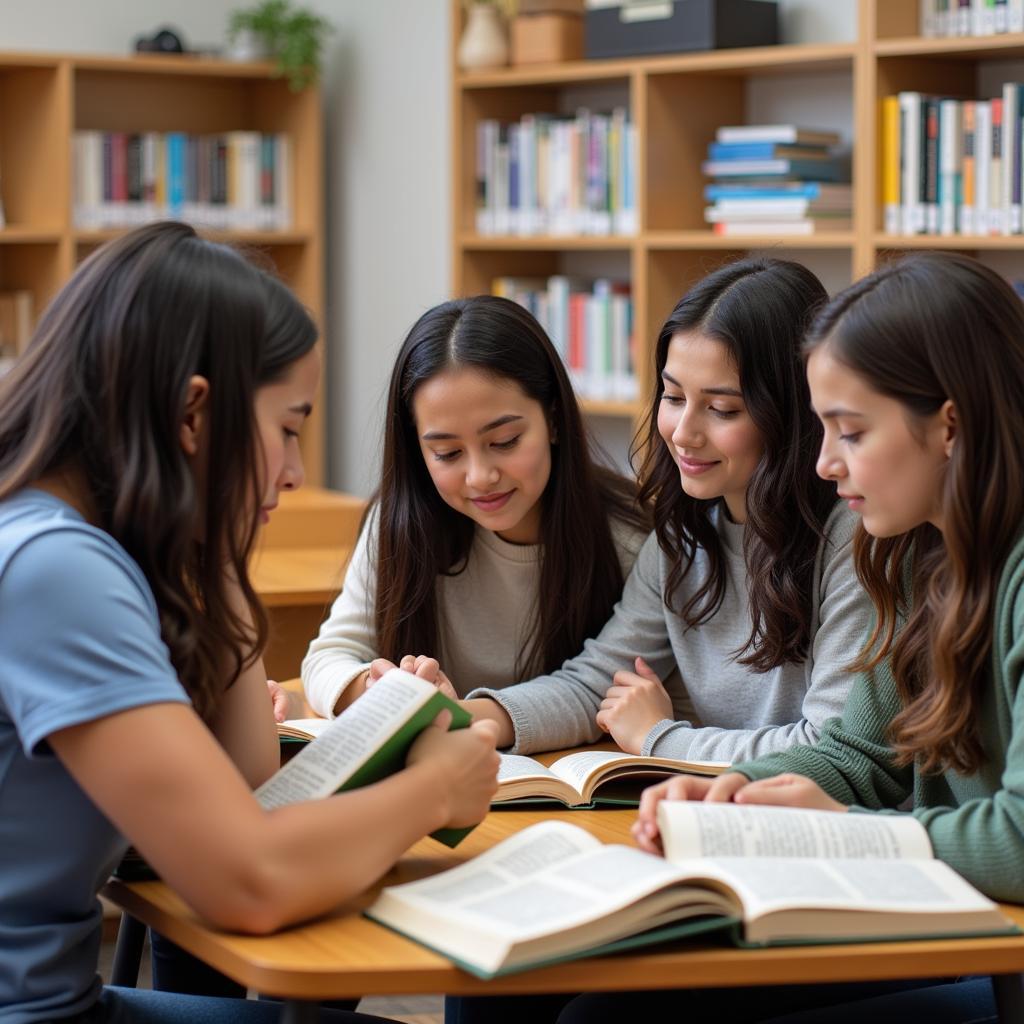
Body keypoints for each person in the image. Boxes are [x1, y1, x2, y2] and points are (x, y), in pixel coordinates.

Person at [0, 221, 500, 1024]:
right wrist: (437, 787)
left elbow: (247, 790)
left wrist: (219, 557)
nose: (297, 473)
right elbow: (252, 882)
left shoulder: (67, 544)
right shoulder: (55, 570)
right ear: (195, 415)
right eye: (289, 428)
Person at [618, 251, 1024, 1024]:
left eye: (851, 431)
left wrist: (842, 832)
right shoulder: (914, 550)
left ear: (950, 425)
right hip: (966, 923)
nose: (823, 463)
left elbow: (1019, 837)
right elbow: (858, 756)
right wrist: (737, 795)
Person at [462, 257, 871, 764]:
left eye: (722, 410)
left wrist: (659, 738)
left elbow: (830, 748)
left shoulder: (856, 537)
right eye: (674, 397)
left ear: (792, 412)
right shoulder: (684, 537)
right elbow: (599, 682)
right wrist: (469, 720)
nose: (682, 433)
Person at [298, 294, 650, 719]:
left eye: (504, 442)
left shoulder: (630, 536)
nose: (480, 476)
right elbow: (328, 656)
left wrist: (460, 715)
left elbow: (604, 686)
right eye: (447, 453)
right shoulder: (401, 524)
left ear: (554, 420)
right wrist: (380, 690)